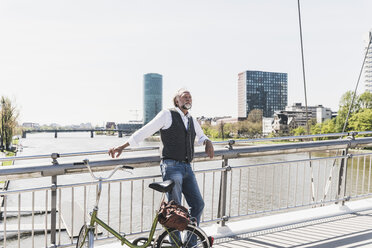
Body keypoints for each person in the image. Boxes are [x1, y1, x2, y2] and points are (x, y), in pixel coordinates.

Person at [109, 88, 214, 226]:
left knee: (198, 204)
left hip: (187, 167)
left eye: (190, 97)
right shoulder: (167, 114)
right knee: (174, 211)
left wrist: (208, 141)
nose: (188, 99)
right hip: (172, 167)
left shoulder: (191, 119)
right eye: (184, 97)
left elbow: (201, 136)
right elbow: (146, 130)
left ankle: (190, 243)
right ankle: (175, 245)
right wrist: (122, 146)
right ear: (177, 101)